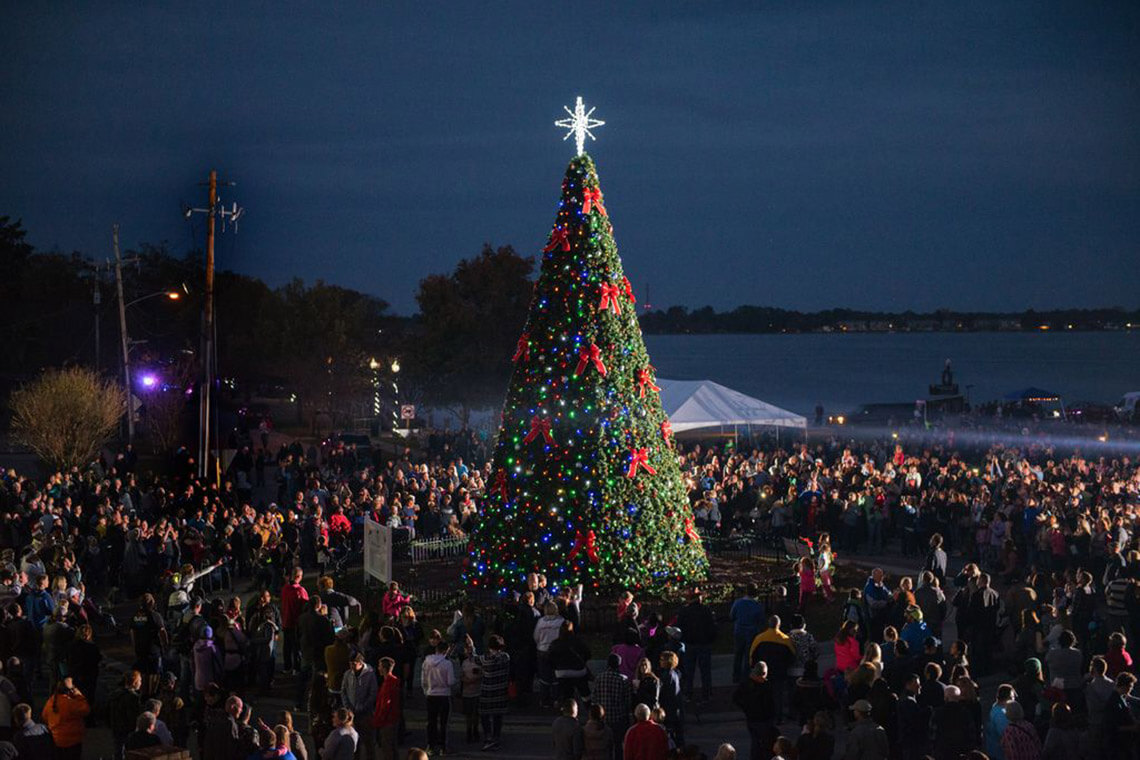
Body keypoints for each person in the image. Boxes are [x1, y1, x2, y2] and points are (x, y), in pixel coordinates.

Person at [732, 661, 779, 760]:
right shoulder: (765, 686)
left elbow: (736, 698)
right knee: (764, 745)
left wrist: (746, 708)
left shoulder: (746, 683)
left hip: (753, 718)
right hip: (763, 719)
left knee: (756, 743)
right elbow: (770, 704)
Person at [676, 589, 716, 703]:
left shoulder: (684, 611)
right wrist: (710, 639)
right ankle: (706, 694)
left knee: (689, 671)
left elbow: (680, 627)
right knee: (705, 671)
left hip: (690, 643)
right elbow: (712, 627)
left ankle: (688, 694)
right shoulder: (706, 610)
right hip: (704, 643)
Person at [593, 653, 631, 758]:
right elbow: (627, 701)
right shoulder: (623, 679)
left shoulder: (599, 678)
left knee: (605, 746)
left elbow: (594, 698)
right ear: (619, 664)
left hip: (603, 718)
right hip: (618, 717)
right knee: (618, 744)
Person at [41, 678, 89, 760]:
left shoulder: (51, 701)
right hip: (72, 740)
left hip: (56, 740)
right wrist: (79, 696)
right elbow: (86, 710)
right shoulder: (70, 703)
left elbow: (44, 717)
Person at [476, 634, 510, 751]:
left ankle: (487, 737)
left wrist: (471, 646)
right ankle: (496, 738)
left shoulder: (485, 659)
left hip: (487, 692)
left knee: (485, 716)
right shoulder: (505, 657)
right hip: (500, 692)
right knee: (498, 717)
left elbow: (474, 658)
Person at [421, 640, 454, 756]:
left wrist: (426, 690)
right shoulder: (447, 664)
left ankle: (430, 745)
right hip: (444, 694)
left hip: (431, 694)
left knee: (431, 721)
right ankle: (443, 747)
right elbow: (450, 681)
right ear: (446, 651)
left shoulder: (426, 661)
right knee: (444, 722)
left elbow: (423, 680)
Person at [342, 653, 378, 760]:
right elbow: (343, 691)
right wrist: (348, 707)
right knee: (354, 744)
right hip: (352, 715)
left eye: (354, 664)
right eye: (350, 664)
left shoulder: (370, 674)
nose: (351, 667)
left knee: (369, 743)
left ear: (360, 663)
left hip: (366, 714)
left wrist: (363, 707)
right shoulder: (348, 674)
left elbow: (373, 693)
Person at [730, 585, 765, 683]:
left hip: (739, 631)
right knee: (748, 655)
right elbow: (761, 620)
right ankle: (746, 677)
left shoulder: (738, 603)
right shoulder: (757, 605)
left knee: (738, 653)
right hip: (752, 631)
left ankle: (736, 676)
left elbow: (731, 616)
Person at [372, 657, 402, 760]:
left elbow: (385, 705)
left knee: (387, 748)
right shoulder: (394, 682)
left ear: (384, 668)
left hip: (387, 721)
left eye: (380, 666)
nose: (378, 668)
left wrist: (378, 720)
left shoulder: (387, 684)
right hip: (393, 719)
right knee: (393, 747)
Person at [1104, 671, 1138, 758]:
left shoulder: (1121, 698)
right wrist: (1133, 727)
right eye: (1130, 687)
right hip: (1118, 744)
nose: (1131, 689)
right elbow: (1111, 727)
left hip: (1124, 742)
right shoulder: (1114, 702)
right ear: (1124, 686)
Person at [985, 684, 1017, 760]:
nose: (1014, 700)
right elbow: (1005, 735)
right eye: (1013, 697)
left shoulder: (996, 709)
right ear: (1008, 698)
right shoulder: (1000, 714)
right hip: (1001, 754)